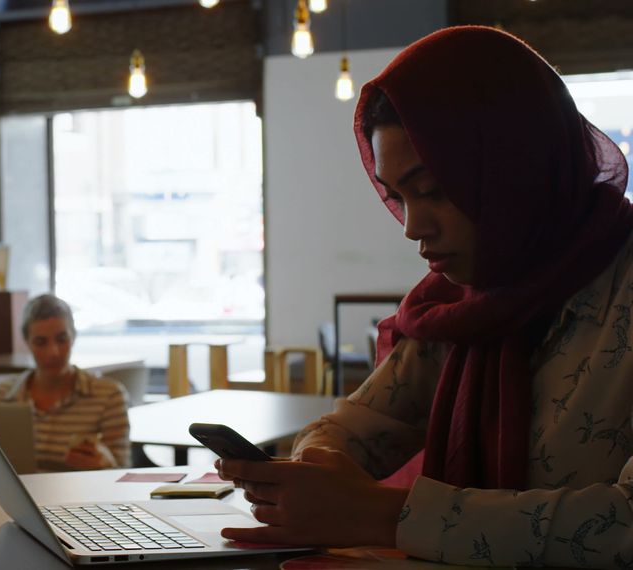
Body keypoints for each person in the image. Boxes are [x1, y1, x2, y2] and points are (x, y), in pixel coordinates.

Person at [216, 26, 633, 568]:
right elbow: (355, 425)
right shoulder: (464, 307)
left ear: (517, 167)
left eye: (435, 190)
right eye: (398, 196)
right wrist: (317, 471)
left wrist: (380, 514)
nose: (413, 228)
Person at [0, 294, 131, 472]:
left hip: (81, 496)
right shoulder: (3, 394)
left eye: (62, 339)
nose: (53, 352)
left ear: (74, 337)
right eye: (41, 342)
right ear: (27, 343)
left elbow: (122, 471)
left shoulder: (108, 396)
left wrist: (106, 463)